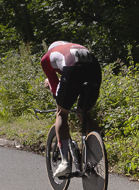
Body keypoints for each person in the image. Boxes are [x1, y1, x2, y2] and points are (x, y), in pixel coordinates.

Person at [40, 41, 102, 178]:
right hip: (94, 68)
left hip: (72, 68)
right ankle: (98, 154)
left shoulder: (46, 58)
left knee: (62, 113)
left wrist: (52, 88)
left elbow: (55, 87)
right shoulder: (72, 47)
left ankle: (65, 163)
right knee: (84, 114)